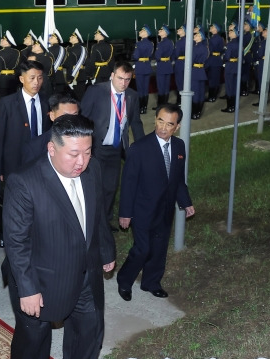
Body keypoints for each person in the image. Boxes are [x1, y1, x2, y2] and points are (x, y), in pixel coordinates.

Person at [2, 114, 115, 359]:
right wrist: (27, 287)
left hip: (86, 271)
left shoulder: (93, 171)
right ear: (52, 149)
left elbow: (98, 215)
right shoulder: (25, 182)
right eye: (74, 154)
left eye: (88, 152)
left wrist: (106, 250)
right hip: (42, 277)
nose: (82, 162)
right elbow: (17, 241)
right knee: (35, 339)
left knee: (90, 330)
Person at [117, 104, 195, 301]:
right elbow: (128, 184)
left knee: (159, 249)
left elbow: (177, 179)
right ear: (155, 119)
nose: (163, 127)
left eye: (169, 124)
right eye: (160, 120)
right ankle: (124, 281)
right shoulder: (139, 149)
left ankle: (151, 282)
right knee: (143, 249)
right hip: (142, 210)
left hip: (165, 209)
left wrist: (186, 202)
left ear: (176, 127)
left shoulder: (179, 146)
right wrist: (125, 213)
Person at [80, 61, 145, 229]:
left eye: (127, 79)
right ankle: (89, 221)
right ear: (112, 76)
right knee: (93, 187)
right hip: (96, 149)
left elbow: (136, 123)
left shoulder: (132, 96)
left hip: (116, 149)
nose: (123, 83)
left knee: (110, 187)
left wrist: (143, 146)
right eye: (120, 78)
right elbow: (83, 118)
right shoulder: (96, 91)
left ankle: (105, 221)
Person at [0, 59, 51, 181]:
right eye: (32, 78)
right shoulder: (7, 104)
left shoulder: (47, 101)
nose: (36, 82)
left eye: (40, 78)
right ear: (22, 79)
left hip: (41, 159)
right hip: (15, 161)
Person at [21, 93, 80, 166]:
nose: (71, 120)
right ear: (52, 116)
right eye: (65, 116)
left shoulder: (85, 141)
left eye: (74, 115)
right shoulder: (34, 148)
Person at [133, 25, 154, 114]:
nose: (139, 32)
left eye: (141, 31)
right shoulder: (151, 44)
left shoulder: (139, 44)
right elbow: (151, 55)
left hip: (140, 67)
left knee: (140, 88)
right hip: (147, 67)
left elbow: (136, 56)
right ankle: (144, 107)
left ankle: (141, 108)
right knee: (145, 88)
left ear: (146, 33)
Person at [0, 30, 21, 99]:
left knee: (3, 99)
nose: (1, 40)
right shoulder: (17, 52)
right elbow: (18, 66)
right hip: (13, 78)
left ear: (7, 42)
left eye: (3, 39)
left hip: (3, 79)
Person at [64, 28, 88, 100]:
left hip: (72, 75)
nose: (70, 38)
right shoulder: (84, 49)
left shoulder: (70, 50)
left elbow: (68, 64)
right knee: (81, 96)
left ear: (77, 39)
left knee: (73, 98)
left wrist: (69, 78)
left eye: (72, 37)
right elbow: (88, 63)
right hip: (82, 75)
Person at [190, 29, 209, 119]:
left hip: (195, 72)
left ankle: (194, 113)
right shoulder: (205, 47)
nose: (195, 36)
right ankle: (198, 112)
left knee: (195, 93)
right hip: (201, 71)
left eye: (197, 35)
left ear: (201, 37)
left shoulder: (195, 48)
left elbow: (191, 59)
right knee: (201, 93)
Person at [221, 27, 240, 113]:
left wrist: (223, 58)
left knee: (229, 87)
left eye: (231, 32)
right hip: (236, 65)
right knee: (235, 86)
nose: (229, 33)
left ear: (235, 34)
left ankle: (230, 107)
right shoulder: (240, 43)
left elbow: (227, 56)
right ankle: (234, 106)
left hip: (230, 66)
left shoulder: (230, 44)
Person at [205, 23, 225, 103]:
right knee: (212, 79)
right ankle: (212, 95)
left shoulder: (216, 38)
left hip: (214, 60)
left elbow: (212, 49)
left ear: (216, 29)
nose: (211, 28)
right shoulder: (214, 38)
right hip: (213, 59)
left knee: (213, 79)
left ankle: (212, 96)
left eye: (213, 27)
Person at [48, 29, 68, 95]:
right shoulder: (64, 50)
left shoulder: (48, 50)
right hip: (60, 77)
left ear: (57, 40)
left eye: (52, 37)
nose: (50, 38)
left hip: (50, 77)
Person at [173, 25, 189, 105]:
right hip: (185, 62)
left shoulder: (180, 42)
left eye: (180, 29)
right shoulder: (188, 40)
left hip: (180, 62)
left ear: (184, 31)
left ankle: (180, 101)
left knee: (179, 81)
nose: (178, 30)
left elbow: (176, 54)